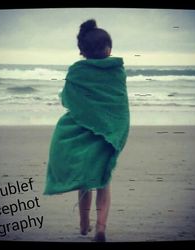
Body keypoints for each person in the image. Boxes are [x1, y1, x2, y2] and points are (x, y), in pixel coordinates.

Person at [44, 19, 130, 242]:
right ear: (108, 49)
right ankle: (100, 228)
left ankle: (84, 223)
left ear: (82, 51)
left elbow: (68, 100)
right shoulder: (117, 71)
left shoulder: (76, 71)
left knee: (85, 181)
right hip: (107, 134)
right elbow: (118, 105)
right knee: (103, 179)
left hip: (81, 131)